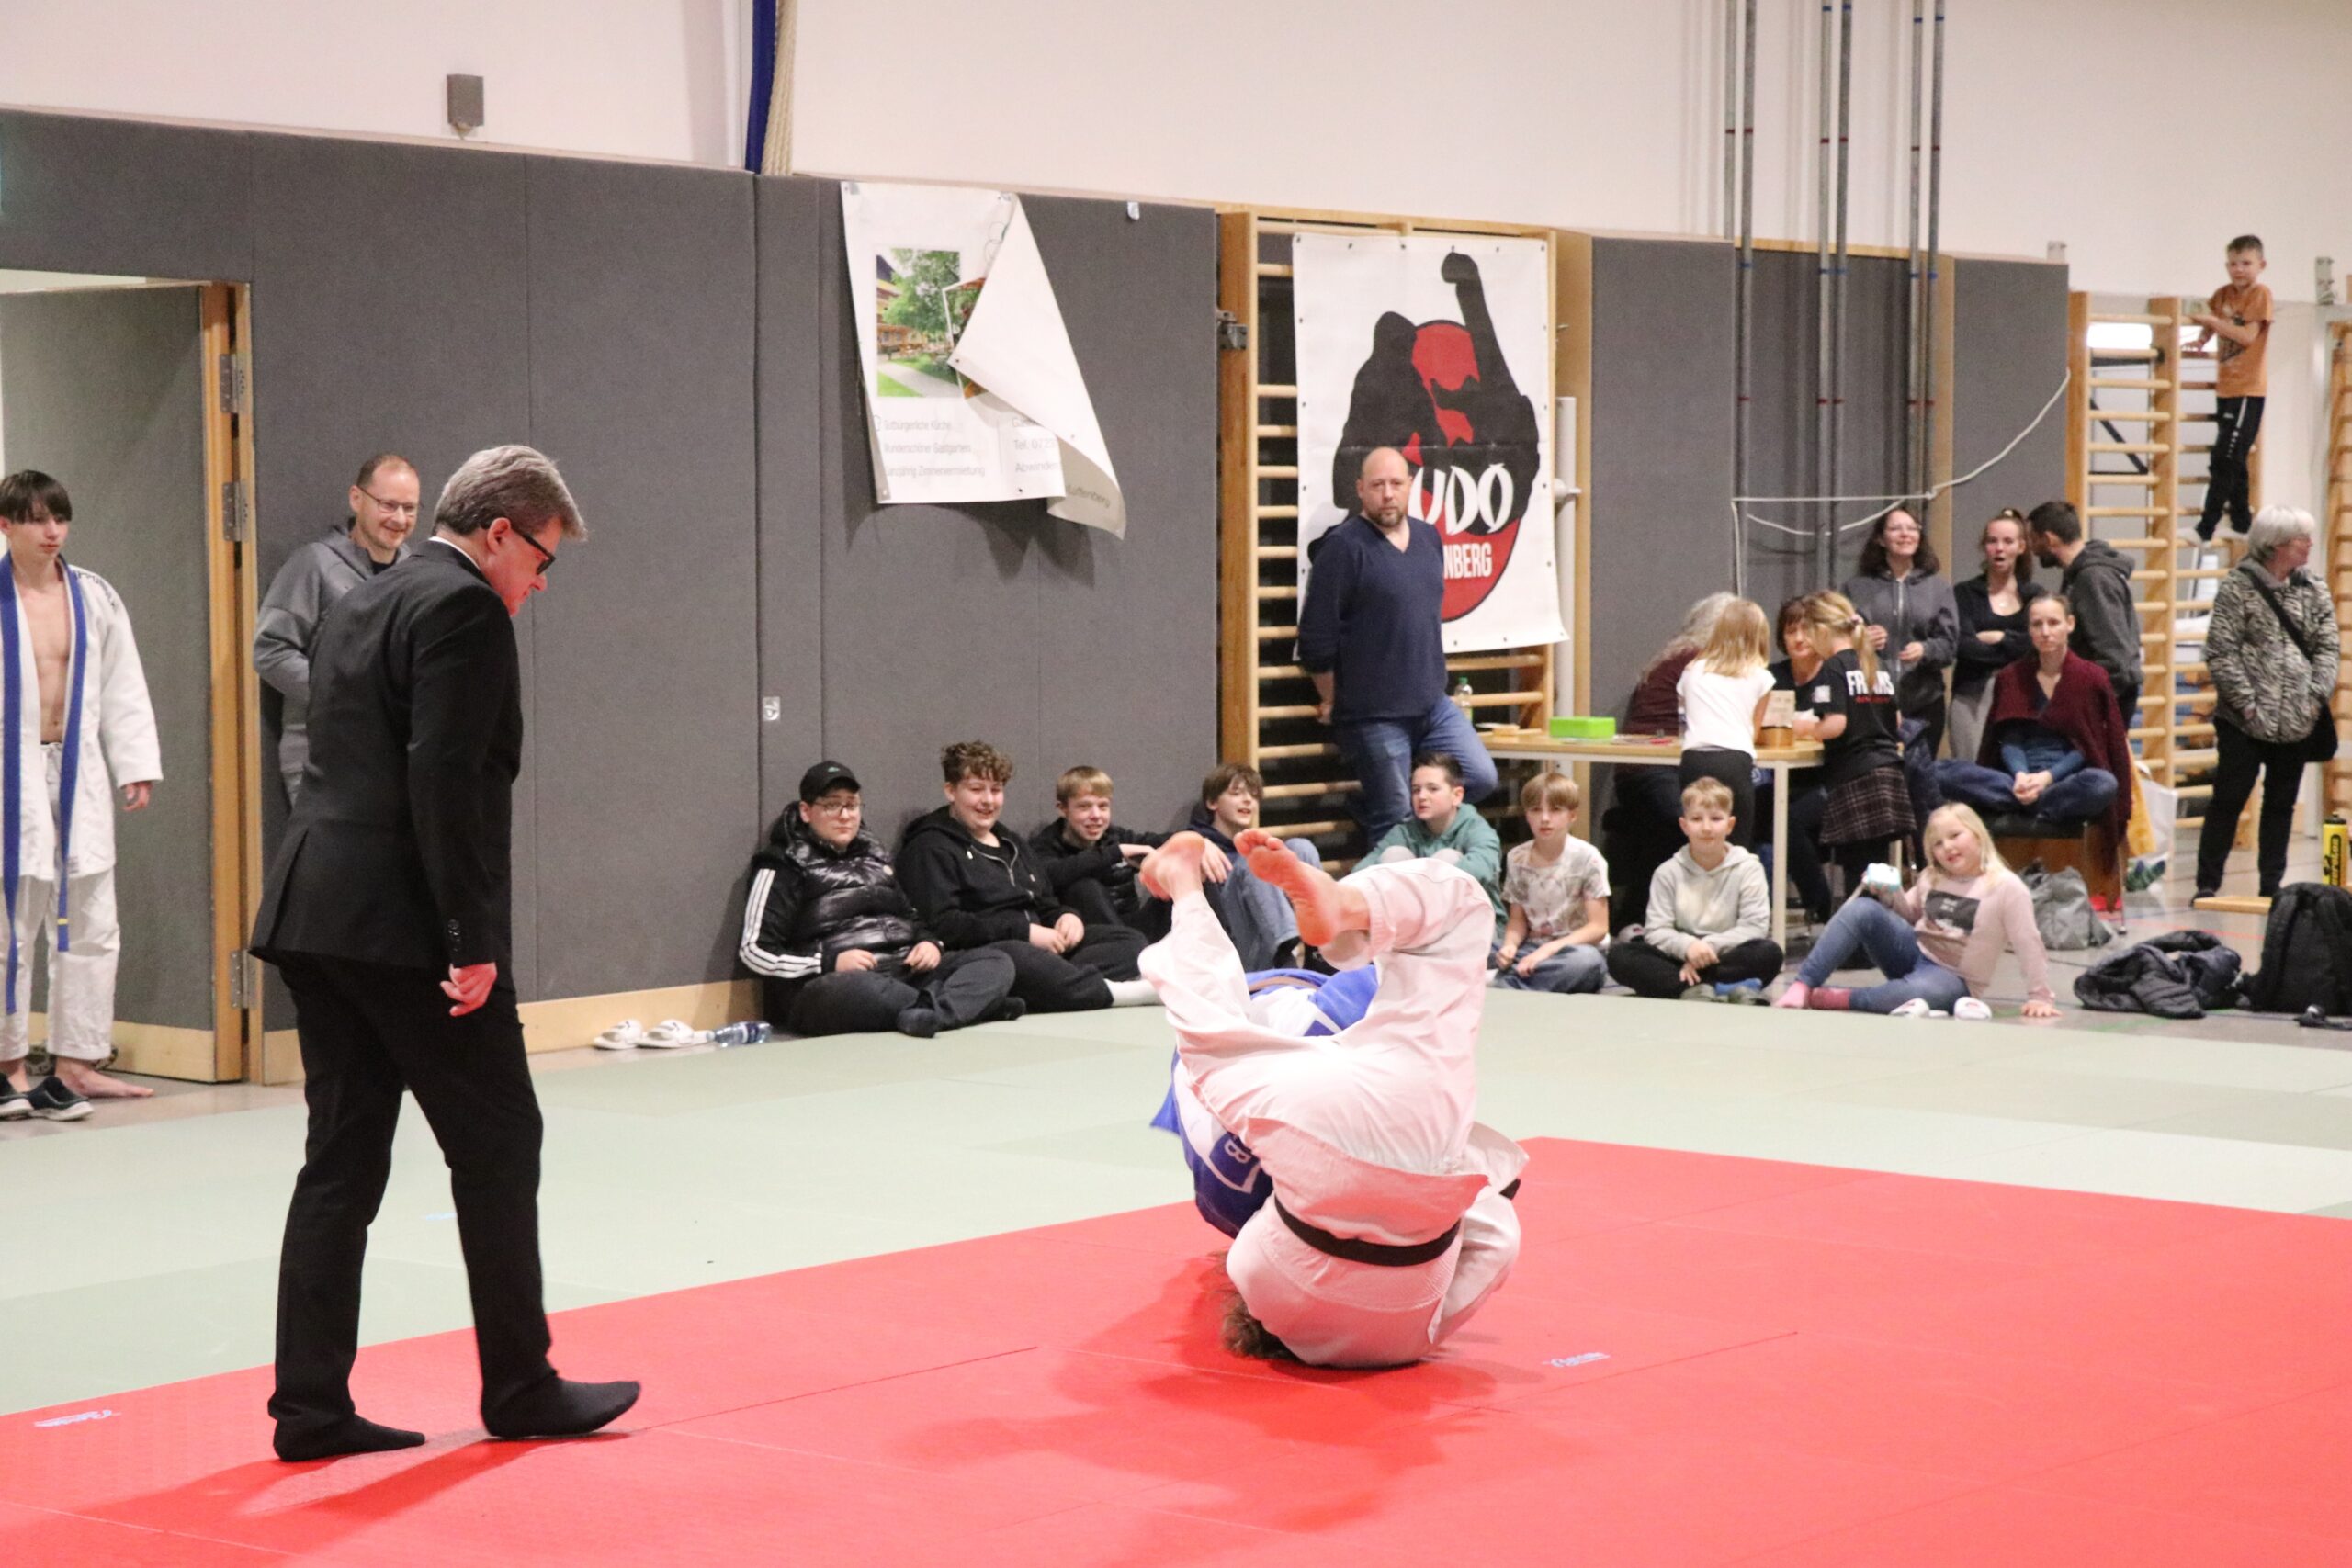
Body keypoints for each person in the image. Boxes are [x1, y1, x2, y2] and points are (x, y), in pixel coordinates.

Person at [252, 445, 636, 1461]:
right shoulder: (463, 608)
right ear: (500, 532)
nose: (540, 585)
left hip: (315, 909)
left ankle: (310, 1405)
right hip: (405, 927)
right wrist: (471, 939)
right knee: (500, 1139)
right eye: (542, 560)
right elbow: (448, 780)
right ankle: (520, 1383)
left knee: (341, 1161)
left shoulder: (361, 596)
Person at [1135, 829, 1526, 1369]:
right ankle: (1197, 887)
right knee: (1208, 1032)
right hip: (1308, 1123)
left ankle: (1334, 909)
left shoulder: (1412, 1336)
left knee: (1459, 923)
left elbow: (1499, 1241)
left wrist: (1456, 1185)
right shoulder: (1254, 1268)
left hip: (1390, 1131)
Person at [0, 471, 162, 1125]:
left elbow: (123, 684)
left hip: (78, 768)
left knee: (91, 916)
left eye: (60, 518)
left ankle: (74, 1065)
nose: (52, 532)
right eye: (37, 519)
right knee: (10, 919)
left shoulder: (94, 595)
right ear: (5, 524)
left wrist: (135, 765)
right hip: (9, 771)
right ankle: (8, 1064)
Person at [1295, 446, 1497, 841]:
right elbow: (1316, 637)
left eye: (1395, 484)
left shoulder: (1428, 537)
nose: (1387, 494)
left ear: (1410, 485)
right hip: (1374, 715)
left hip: (1432, 704)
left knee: (1479, 777)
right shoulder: (1344, 547)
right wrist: (1331, 697)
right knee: (1395, 815)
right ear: (1360, 490)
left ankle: (1390, 822)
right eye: (1377, 485)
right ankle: (1386, 838)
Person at [739, 761, 1018, 1038]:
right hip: (833, 984)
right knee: (860, 989)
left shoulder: (876, 856)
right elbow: (754, 951)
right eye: (832, 805)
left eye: (852, 805)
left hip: (903, 970)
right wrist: (828, 963)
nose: (845, 815)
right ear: (806, 811)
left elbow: (912, 917)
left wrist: (929, 943)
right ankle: (964, 1007)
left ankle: (933, 1013)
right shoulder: (782, 864)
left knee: (995, 961)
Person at [897, 740, 1157, 1013]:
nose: (988, 800)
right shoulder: (929, 847)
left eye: (996, 790)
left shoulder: (1011, 842)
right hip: (991, 951)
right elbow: (944, 925)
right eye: (976, 789)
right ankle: (1103, 991)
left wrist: (1065, 916)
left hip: (1043, 946)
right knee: (1017, 958)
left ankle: (1059, 985)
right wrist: (1024, 932)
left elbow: (1044, 898)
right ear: (951, 791)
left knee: (1128, 941)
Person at [1775, 803, 2060, 1019]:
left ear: (1978, 835)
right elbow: (1910, 914)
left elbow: (2028, 943)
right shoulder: (1931, 876)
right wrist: (1889, 891)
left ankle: (1839, 998)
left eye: (1955, 836)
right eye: (1938, 844)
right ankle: (1802, 985)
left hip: (1954, 979)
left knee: (1916, 993)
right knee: (1863, 909)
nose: (1948, 848)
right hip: (1915, 955)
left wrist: (2040, 996)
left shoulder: (2006, 887)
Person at [253, 453, 418, 802]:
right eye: (388, 505)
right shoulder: (314, 565)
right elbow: (270, 650)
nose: (400, 519)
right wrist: (346, 695)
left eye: (410, 508)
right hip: (323, 765)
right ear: (357, 498)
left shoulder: (416, 574)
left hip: (394, 765)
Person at [2196, 506, 2340, 900]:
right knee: (2229, 798)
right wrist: (2247, 705)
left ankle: (2271, 886)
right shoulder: (2237, 587)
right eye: (2301, 539)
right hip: (2242, 721)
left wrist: (2314, 699)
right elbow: (2221, 652)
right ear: (2276, 545)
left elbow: (2328, 647)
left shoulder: (2314, 588)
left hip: (2298, 720)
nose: (2309, 544)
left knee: (2281, 804)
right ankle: (2207, 882)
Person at [1936, 594, 2130, 838]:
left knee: (2103, 783)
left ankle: (2029, 803)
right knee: (1941, 771)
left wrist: (2046, 779)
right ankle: (2034, 803)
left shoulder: (2091, 677)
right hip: (2016, 780)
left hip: (2065, 781)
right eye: (2037, 624)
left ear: (2070, 624)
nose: (2045, 632)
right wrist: (2022, 776)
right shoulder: (2011, 676)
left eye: (2053, 623)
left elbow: (2087, 745)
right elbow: (2009, 739)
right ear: (2029, 629)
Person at [1605, 591, 1736, 929]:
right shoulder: (1703, 663)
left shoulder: (1673, 656)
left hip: (1638, 769)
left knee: (1673, 832)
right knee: (1692, 827)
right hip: (1657, 767)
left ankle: (1639, 919)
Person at [1605, 777, 1782, 1000]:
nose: (1706, 828)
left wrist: (1707, 947)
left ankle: (1686, 989)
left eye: (1716, 819)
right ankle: (1720, 988)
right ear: (1684, 825)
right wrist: (1688, 947)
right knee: (1620, 956)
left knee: (1769, 953)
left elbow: (1754, 927)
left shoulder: (1749, 868)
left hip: (1725, 954)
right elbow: (1657, 930)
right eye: (1697, 819)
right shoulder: (1667, 872)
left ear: (1730, 825)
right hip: (1679, 956)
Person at [1789, 592, 1915, 902]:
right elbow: (1897, 719)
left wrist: (1805, 728)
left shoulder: (1833, 667)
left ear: (1821, 630)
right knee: (1877, 872)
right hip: (1888, 771)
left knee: (1856, 873)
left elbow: (1836, 725)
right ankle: (1877, 925)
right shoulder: (1875, 662)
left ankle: (1857, 928)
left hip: (1855, 776)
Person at [1185, 761, 1325, 970]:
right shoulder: (1194, 842)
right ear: (1212, 802)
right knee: (1253, 859)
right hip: (1227, 948)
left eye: (1254, 795)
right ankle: (1285, 960)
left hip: (1263, 943)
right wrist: (1196, 844)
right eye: (1236, 793)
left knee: (1300, 848)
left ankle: (1318, 949)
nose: (1248, 800)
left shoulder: (1253, 842)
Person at [1843, 506, 1959, 759]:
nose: (1905, 534)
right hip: (1872, 700)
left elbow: (1949, 646)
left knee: (1920, 773)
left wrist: (1926, 649)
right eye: (1896, 528)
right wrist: (1862, 640)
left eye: (1912, 528)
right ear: (1880, 539)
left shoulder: (1938, 587)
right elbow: (1839, 639)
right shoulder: (1856, 587)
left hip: (1924, 700)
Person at [1491, 772, 1609, 994]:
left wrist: (1548, 951)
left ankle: (1507, 984)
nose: (1545, 818)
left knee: (1587, 963)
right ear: (1527, 815)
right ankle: (1522, 978)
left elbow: (1598, 927)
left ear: (1572, 816)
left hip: (1572, 949)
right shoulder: (1517, 857)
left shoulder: (1588, 858)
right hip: (1529, 947)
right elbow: (1517, 921)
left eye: (1555, 810)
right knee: (1476, 947)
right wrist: (1509, 946)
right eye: (1536, 810)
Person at [2188, 236, 2275, 541]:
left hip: (2248, 391)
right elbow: (2213, 322)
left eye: (2246, 263)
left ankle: (2206, 528)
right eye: (2233, 264)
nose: (2238, 270)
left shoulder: (2260, 295)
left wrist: (2212, 322)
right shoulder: (2222, 294)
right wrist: (2202, 338)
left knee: (2223, 458)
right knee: (2234, 459)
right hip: (2226, 389)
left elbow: (2247, 337)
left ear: (2261, 265)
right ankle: (2241, 524)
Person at [1949, 509, 2051, 765]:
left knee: (2019, 768)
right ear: (1984, 547)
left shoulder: (2035, 596)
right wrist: (2015, 644)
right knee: (1971, 770)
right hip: (1972, 695)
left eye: (2008, 541)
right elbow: (1964, 646)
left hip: (2022, 692)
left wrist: (2001, 638)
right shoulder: (1965, 593)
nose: (1999, 549)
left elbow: (2037, 644)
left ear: (2021, 547)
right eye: (1992, 541)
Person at [2027, 500, 2140, 728]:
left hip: (2106, 700)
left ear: (2049, 539)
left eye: (2034, 539)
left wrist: (2088, 702)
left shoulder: (2092, 578)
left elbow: (2113, 653)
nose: (2032, 548)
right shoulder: (2078, 575)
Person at [1675, 597, 1774, 848]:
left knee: (1697, 840)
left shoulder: (1692, 671)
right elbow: (1753, 731)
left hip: (1693, 759)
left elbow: (1685, 716)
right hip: (1734, 760)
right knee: (1737, 843)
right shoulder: (1761, 677)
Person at [1360, 751, 1503, 924]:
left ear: (1457, 795)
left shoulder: (1476, 828)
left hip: (1475, 925)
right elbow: (1366, 867)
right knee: (1394, 854)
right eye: (1416, 790)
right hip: (1418, 921)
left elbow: (1483, 867)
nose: (1422, 797)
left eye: (1433, 789)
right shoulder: (1406, 830)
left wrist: (1425, 883)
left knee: (1446, 859)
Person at [1026, 765, 1166, 938]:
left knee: (1190, 881)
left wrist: (1194, 843)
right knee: (1085, 887)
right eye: (1084, 807)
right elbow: (1049, 875)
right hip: (1095, 939)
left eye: (1103, 806)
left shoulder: (1115, 836)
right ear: (1063, 809)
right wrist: (1115, 853)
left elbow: (1159, 842)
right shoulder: (1046, 845)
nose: (1096, 815)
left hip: (1133, 926)